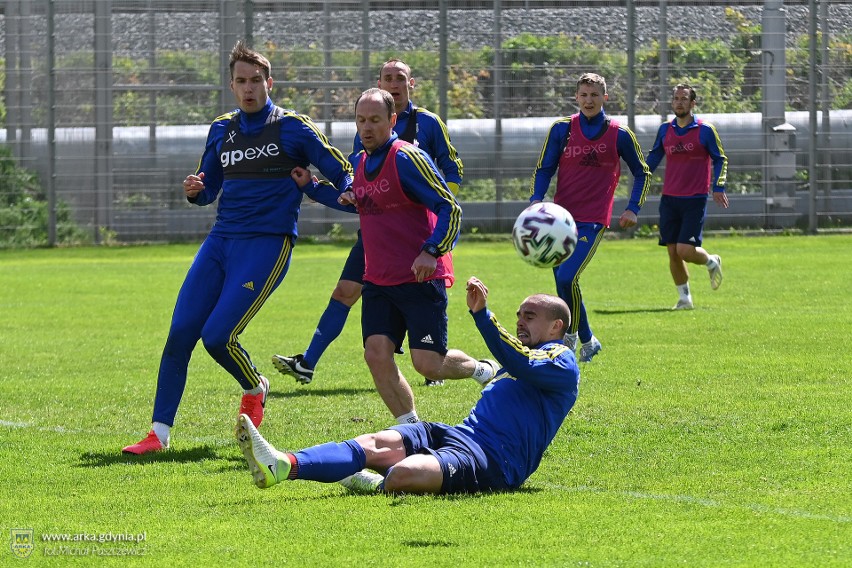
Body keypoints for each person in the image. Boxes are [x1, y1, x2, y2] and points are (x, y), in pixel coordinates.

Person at [122, 41, 354, 455]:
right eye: (241, 82)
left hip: (267, 244)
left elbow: (341, 169)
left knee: (218, 337)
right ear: (232, 86)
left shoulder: (294, 127)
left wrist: (349, 192)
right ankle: (158, 435)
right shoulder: (221, 129)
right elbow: (208, 187)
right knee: (180, 335)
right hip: (221, 241)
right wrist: (195, 190)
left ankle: (255, 386)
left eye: (256, 81)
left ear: (270, 82)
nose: (249, 89)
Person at [235, 276, 579, 495]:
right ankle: (282, 464)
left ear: (555, 327)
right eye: (519, 315)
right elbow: (511, 358)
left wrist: (483, 316)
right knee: (376, 442)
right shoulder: (522, 355)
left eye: (529, 317)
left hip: (493, 461)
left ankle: (371, 482)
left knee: (402, 474)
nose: (520, 322)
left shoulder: (561, 360)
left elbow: (521, 361)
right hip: (457, 434)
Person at [272, 59, 464, 388]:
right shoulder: (363, 154)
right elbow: (363, 197)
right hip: (376, 245)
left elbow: (450, 189)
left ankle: (457, 364)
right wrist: (312, 188)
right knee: (365, 329)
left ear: (409, 86)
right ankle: (308, 363)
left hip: (417, 246)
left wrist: (434, 237)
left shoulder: (420, 135)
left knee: (428, 363)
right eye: (361, 120)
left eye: (398, 78)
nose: (366, 126)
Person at [529, 72, 651, 362]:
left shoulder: (620, 134)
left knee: (569, 276)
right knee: (563, 281)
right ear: (576, 98)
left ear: (605, 98)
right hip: (560, 221)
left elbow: (642, 172)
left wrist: (633, 207)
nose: (589, 100)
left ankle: (568, 339)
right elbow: (544, 168)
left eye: (594, 95)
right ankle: (588, 340)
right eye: (584, 95)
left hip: (593, 219)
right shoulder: (562, 129)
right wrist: (537, 199)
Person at [645, 83, 728, 310]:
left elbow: (720, 158)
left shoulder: (705, 130)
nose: (679, 102)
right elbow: (652, 159)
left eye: (684, 99)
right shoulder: (665, 130)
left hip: (695, 198)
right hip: (669, 199)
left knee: (685, 250)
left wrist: (718, 186)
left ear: (693, 103)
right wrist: (640, 173)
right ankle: (684, 299)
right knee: (673, 252)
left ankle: (711, 261)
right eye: (676, 99)